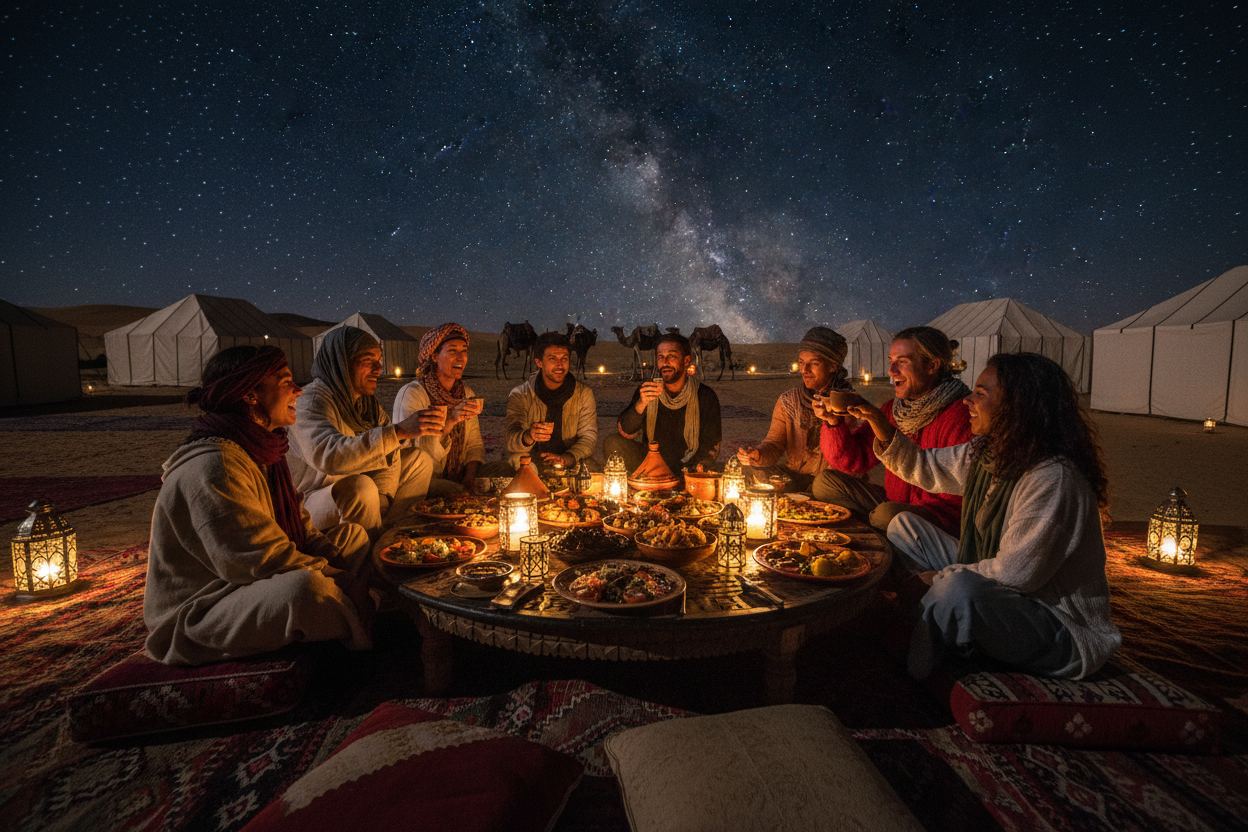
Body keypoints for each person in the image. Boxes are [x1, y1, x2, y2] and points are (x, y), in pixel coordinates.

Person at [848, 352, 1121, 680]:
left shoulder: (1052, 478)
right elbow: (925, 465)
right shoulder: (989, 453)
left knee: (956, 588)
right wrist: (877, 421)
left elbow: (1017, 574)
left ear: (1017, 405)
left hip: (1055, 623)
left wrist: (940, 577)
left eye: (980, 393)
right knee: (903, 525)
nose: (968, 401)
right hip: (999, 585)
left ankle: (921, 669)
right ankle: (944, 618)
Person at [144, 345, 374, 665]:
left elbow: (301, 526)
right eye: (286, 382)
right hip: (208, 603)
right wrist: (343, 579)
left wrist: (335, 563)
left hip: (250, 580)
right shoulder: (216, 466)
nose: (298, 390)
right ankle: (361, 634)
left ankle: (340, 618)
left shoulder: (263, 448)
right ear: (250, 394)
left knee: (354, 538)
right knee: (306, 590)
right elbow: (261, 559)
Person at [814, 326, 972, 536]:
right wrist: (834, 422)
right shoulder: (895, 409)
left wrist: (880, 424)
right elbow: (854, 460)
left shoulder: (963, 414)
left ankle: (882, 535)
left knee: (887, 515)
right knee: (825, 483)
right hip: (894, 502)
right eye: (891, 361)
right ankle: (883, 531)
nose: (891, 371)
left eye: (902, 361)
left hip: (940, 517)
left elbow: (958, 490)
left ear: (932, 365)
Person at [287, 326, 444, 536]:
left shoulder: (367, 405)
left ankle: (396, 535)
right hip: (309, 498)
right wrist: (398, 432)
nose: (379, 369)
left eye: (379, 360)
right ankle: (365, 549)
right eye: (368, 360)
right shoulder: (310, 401)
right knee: (361, 487)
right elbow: (330, 456)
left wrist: (384, 494)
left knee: (418, 460)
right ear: (342, 363)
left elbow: (389, 453)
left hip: (358, 483)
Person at [736, 326, 855, 493]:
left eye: (814, 363)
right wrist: (758, 455)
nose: (804, 370)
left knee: (825, 486)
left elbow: (854, 458)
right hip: (795, 476)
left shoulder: (851, 405)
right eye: (801, 362)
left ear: (833, 366)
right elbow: (774, 444)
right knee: (749, 471)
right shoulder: (789, 401)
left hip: (834, 482)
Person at [604, 332, 721, 475]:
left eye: (671, 356)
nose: (665, 362)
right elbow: (626, 431)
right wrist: (641, 403)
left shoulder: (704, 395)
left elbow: (711, 444)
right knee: (612, 443)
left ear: (686, 361)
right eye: (660, 357)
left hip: (686, 465)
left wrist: (699, 466)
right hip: (650, 462)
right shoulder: (647, 390)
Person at [393, 323, 486, 495]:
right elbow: (414, 457)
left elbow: (474, 445)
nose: (461, 358)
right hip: (422, 480)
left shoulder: (466, 394)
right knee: (457, 492)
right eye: (452, 351)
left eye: (464, 351)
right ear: (434, 356)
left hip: (460, 474)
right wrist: (449, 421)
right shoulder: (414, 394)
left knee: (505, 472)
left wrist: (470, 477)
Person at [496, 330, 598, 475]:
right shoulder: (521, 395)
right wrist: (529, 435)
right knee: (519, 464)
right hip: (531, 459)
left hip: (568, 459)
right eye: (552, 359)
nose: (560, 365)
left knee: (593, 470)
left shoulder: (583, 394)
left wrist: (567, 458)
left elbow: (589, 437)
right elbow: (510, 440)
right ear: (539, 362)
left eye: (564, 358)